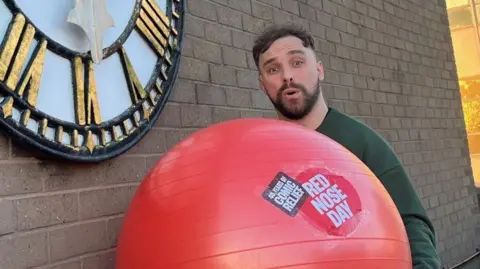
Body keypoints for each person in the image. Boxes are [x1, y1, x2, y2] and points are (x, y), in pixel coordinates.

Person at [252, 24, 441, 269]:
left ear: (319, 70)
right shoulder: (264, 157)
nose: (287, 76)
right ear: (262, 84)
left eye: (297, 63)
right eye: (273, 69)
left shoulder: (361, 143)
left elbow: (411, 224)